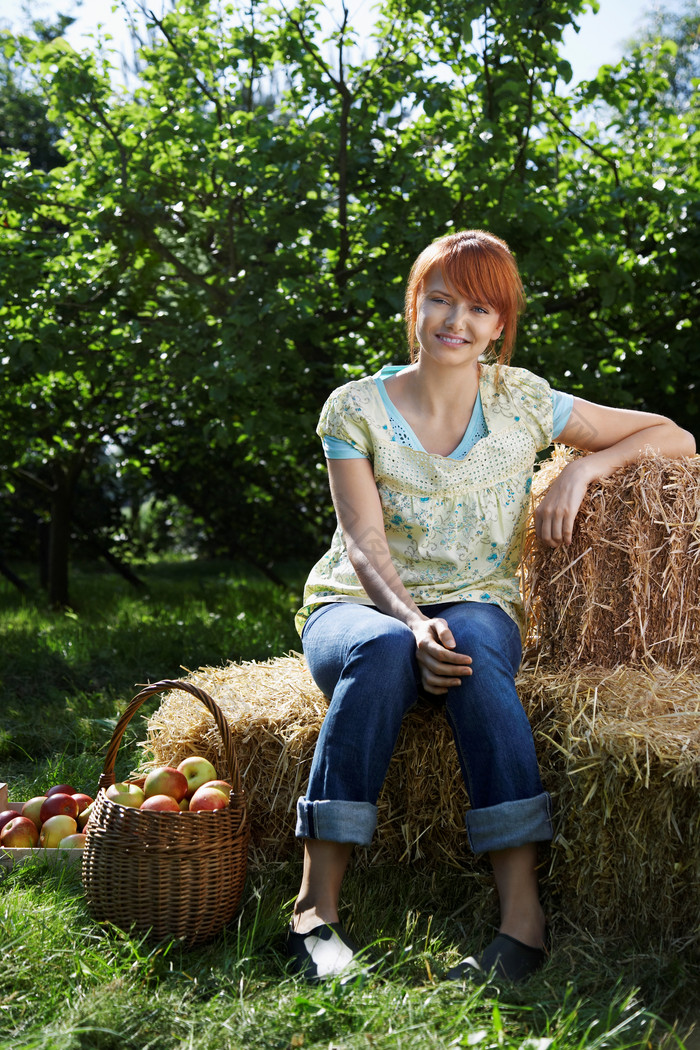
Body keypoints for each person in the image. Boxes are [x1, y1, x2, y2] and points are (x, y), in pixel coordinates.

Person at [285, 229, 696, 984]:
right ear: (416, 306)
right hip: (358, 604)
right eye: (440, 299)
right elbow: (365, 542)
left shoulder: (525, 404)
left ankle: (521, 921)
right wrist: (411, 624)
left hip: (479, 599)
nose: (456, 321)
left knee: (473, 653)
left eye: (479, 307)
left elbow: (675, 436)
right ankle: (315, 909)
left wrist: (584, 469)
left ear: (499, 325)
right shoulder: (355, 409)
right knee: (379, 654)